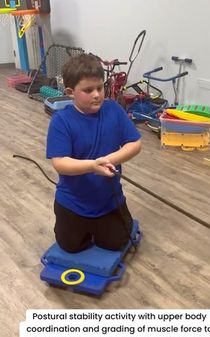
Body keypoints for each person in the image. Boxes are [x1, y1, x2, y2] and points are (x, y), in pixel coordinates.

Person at [46, 53, 141, 253]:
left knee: (117, 243)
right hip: (72, 202)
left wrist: (108, 160)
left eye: (100, 88)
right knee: (71, 247)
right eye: (88, 90)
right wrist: (92, 166)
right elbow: (60, 163)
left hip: (108, 200)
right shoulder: (61, 121)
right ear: (71, 92)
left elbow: (135, 143)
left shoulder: (114, 110)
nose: (97, 94)